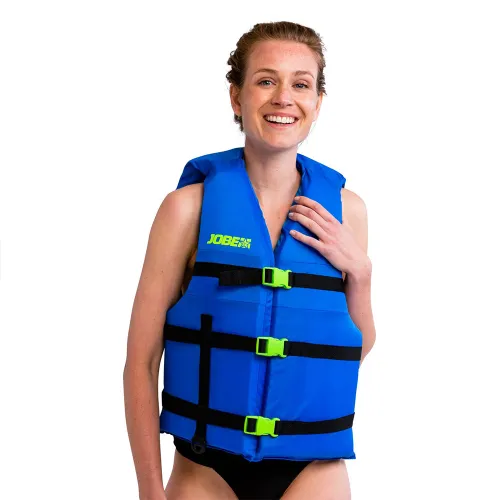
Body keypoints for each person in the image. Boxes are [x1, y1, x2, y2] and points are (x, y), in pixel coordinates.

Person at [123, 21, 376, 500]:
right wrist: (150, 491)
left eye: (301, 84)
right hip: (205, 469)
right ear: (236, 97)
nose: (284, 98)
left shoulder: (348, 212)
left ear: (318, 102)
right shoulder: (186, 209)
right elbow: (141, 360)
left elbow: (352, 350)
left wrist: (361, 274)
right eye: (266, 80)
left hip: (312, 470)